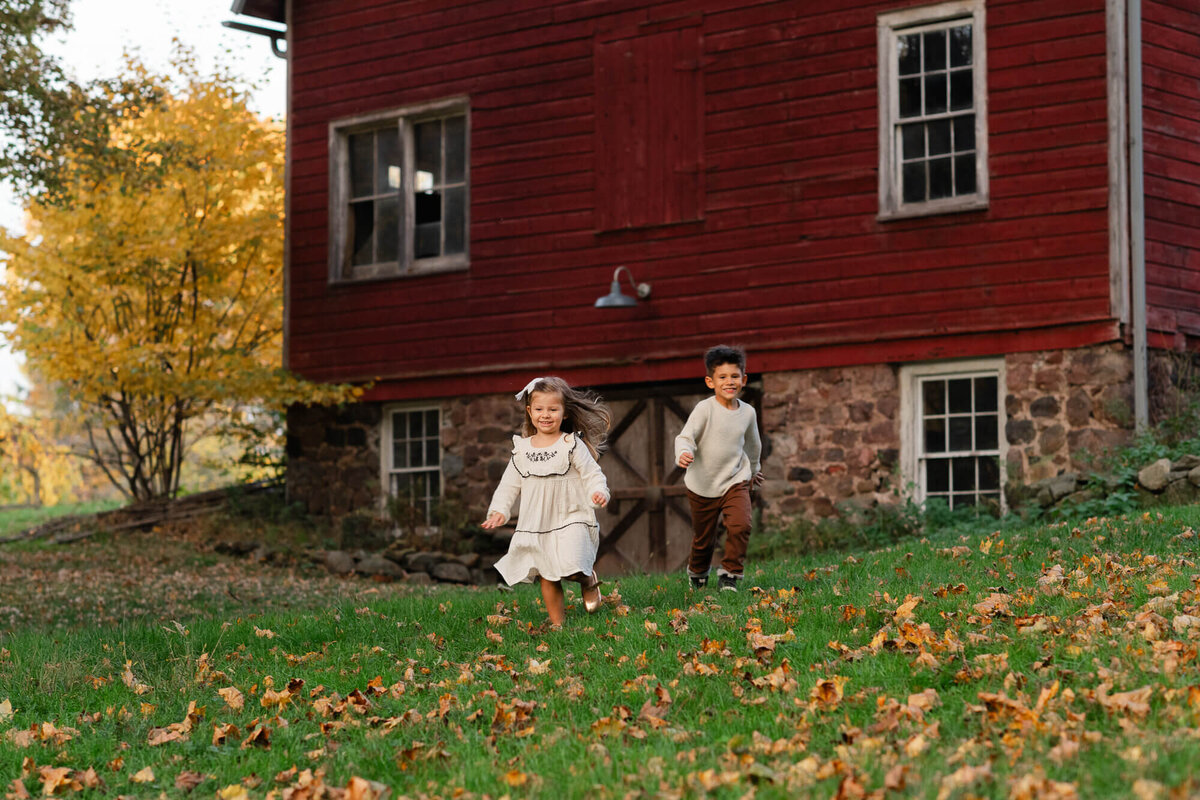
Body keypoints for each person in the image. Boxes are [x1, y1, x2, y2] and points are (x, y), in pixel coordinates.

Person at [482, 376, 612, 626]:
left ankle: (586, 579)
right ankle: (558, 625)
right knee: (548, 576)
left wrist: (599, 493)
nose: (546, 415)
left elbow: (592, 474)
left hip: (571, 514)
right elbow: (509, 485)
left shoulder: (571, 444)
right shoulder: (522, 449)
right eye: (539, 409)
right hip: (537, 521)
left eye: (553, 409)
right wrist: (499, 511)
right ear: (530, 412)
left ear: (564, 413)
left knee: (573, 565)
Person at [675, 345, 764, 592]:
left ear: (744, 379)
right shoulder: (705, 409)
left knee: (741, 525)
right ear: (710, 381)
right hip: (701, 484)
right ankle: (698, 572)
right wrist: (683, 453)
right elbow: (685, 437)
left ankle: (731, 575)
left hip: (735, 479)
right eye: (722, 377)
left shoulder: (748, 413)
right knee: (704, 539)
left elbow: (754, 445)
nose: (729, 382)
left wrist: (754, 470)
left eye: (735, 376)